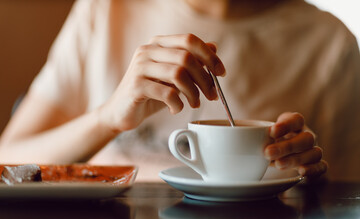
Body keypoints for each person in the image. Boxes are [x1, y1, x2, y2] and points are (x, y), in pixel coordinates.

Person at [1, 0, 358, 182]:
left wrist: (311, 181)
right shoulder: (107, 9)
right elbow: (6, 160)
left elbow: (346, 201)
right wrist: (107, 119)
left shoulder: (330, 43)